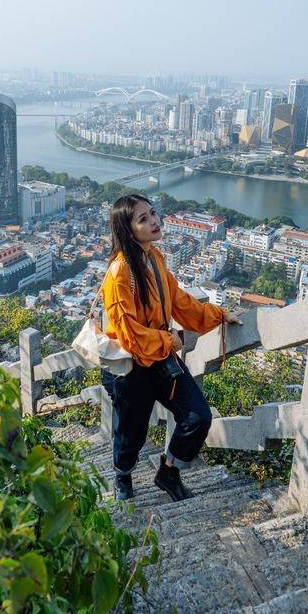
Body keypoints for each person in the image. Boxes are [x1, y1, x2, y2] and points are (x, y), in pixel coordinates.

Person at [102, 193, 241, 502]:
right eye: (143, 219)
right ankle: (122, 476)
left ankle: (169, 472)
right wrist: (171, 340)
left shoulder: (154, 257)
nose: (154, 221)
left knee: (198, 417)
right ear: (127, 229)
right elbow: (129, 334)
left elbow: (178, 301)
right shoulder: (119, 274)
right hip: (133, 368)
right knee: (131, 434)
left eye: (153, 214)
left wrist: (218, 314)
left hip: (162, 359)